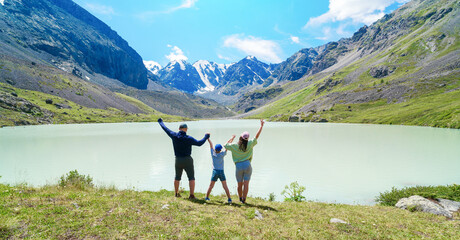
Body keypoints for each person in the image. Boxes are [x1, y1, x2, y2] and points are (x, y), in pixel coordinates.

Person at [157, 118, 210, 199]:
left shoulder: (174, 135)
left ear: (179, 129)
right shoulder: (189, 138)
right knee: (191, 178)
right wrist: (206, 136)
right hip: (188, 160)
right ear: (186, 129)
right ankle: (191, 195)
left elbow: (165, 129)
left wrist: (160, 122)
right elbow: (199, 143)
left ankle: (176, 193)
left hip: (178, 160)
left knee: (177, 177)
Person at [225, 119, 264, 204]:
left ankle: (240, 198)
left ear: (240, 137)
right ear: (247, 138)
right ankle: (244, 199)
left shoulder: (235, 145)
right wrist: (261, 126)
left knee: (239, 184)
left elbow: (225, 145)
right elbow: (257, 136)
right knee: (246, 184)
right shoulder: (250, 143)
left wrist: (231, 138)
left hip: (238, 166)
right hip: (247, 165)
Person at [205, 138, 232, 204]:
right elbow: (226, 146)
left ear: (215, 149)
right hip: (221, 172)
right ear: (220, 150)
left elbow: (211, 145)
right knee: (225, 186)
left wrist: (208, 139)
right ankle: (229, 199)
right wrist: (232, 138)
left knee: (211, 185)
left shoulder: (213, 154)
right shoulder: (222, 154)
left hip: (215, 172)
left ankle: (207, 197)